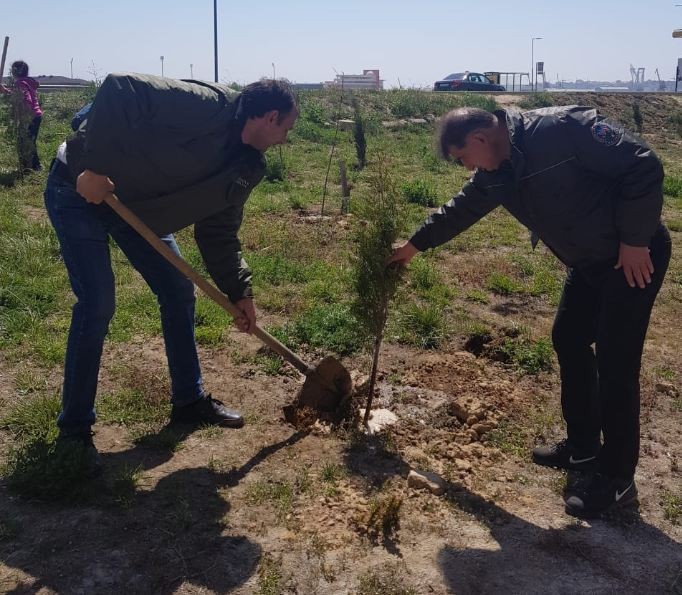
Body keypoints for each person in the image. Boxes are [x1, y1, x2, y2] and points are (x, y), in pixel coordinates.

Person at [388, 106, 671, 518]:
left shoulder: (563, 129)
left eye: (463, 157)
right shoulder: (496, 172)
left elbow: (643, 165)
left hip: (632, 258)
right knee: (569, 338)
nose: (465, 167)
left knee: (616, 361)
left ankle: (617, 482)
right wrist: (413, 246)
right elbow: (462, 208)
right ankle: (583, 448)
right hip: (590, 263)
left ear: (481, 139)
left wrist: (634, 240)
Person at [45, 73, 297, 474]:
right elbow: (119, 88)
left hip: (139, 211)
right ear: (269, 116)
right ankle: (74, 432)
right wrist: (94, 168)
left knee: (179, 292)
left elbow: (218, 233)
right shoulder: (205, 105)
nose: (286, 139)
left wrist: (239, 291)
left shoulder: (248, 165)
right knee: (97, 304)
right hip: (80, 189)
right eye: (286, 127)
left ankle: (188, 402)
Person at [1, 60, 43, 171]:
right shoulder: (27, 82)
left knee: (25, 142)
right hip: (36, 115)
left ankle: (33, 166)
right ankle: (30, 166)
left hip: (30, 117)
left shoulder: (19, 83)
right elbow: (20, 94)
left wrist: (24, 116)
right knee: (28, 140)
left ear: (14, 72)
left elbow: (25, 98)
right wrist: (5, 91)